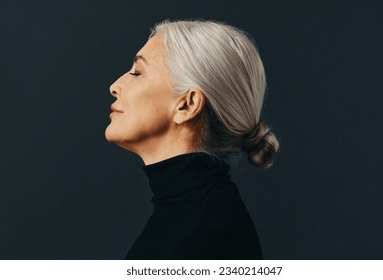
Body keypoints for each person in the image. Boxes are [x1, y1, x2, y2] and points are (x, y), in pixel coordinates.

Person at [105, 19, 280, 259]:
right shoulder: (191, 214)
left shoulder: (199, 239)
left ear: (187, 105)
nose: (115, 86)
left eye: (137, 72)